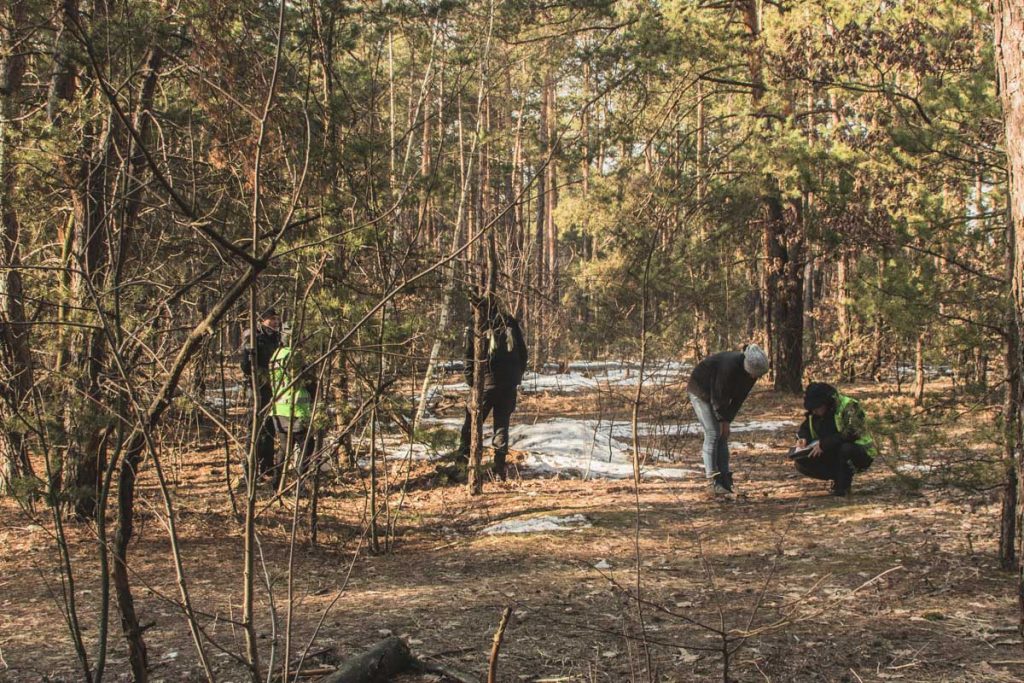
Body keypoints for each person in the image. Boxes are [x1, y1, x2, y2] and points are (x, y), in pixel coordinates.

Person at [455, 306, 528, 480]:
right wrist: (516, 376)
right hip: (508, 383)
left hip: (485, 384)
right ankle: (498, 469)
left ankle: (462, 467)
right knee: (502, 426)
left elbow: (468, 356)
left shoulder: (476, 322)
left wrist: (472, 382)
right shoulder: (509, 321)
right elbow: (523, 353)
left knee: (471, 425)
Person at [686, 344, 770, 496]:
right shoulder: (729, 367)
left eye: (757, 375)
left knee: (723, 435)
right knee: (713, 433)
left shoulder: (751, 374)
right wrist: (722, 420)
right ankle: (712, 481)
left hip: (717, 396)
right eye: (753, 374)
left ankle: (724, 480)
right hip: (700, 390)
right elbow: (718, 397)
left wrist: (727, 420)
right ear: (747, 366)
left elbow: (739, 399)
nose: (754, 378)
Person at [793, 382, 875, 497]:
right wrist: (803, 438)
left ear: (826, 403)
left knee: (846, 449)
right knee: (801, 461)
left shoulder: (849, 406)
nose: (814, 411)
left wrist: (825, 444)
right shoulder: (815, 413)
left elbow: (853, 432)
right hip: (832, 451)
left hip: (860, 452)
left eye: (816, 407)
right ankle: (837, 476)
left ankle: (843, 486)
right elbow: (806, 427)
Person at [269, 322, 318, 491]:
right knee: (307, 446)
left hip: (278, 409)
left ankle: (277, 483)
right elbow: (308, 381)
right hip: (296, 409)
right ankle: (301, 483)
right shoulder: (295, 355)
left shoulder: (276, 355)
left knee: (284, 448)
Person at [240, 308, 281, 484]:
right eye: (271, 319)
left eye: (276, 319)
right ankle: (249, 470)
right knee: (255, 429)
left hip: (274, 388)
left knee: (270, 428)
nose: (274, 322)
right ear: (262, 320)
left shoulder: (276, 338)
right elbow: (245, 366)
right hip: (257, 389)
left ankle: (267, 468)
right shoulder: (254, 338)